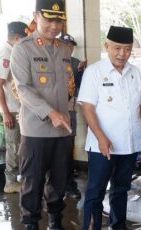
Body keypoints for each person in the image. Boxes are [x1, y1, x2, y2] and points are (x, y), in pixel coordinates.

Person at [11, 0, 78, 230]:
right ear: (36, 16)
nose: (53, 26)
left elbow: (67, 88)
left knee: (59, 181)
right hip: (37, 130)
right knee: (33, 184)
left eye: (58, 21)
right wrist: (51, 113)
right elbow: (23, 89)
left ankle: (55, 226)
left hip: (62, 130)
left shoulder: (64, 50)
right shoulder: (23, 49)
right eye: (48, 20)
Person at [78, 26, 141, 230]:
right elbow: (87, 108)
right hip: (103, 146)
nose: (122, 53)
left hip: (129, 144)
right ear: (106, 46)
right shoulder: (94, 72)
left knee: (122, 188)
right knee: (96, 190)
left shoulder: (134, 73)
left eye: (127, 49)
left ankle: (118, 226)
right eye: (117, 48)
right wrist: (100, 137)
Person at [0, 21, 29, 194]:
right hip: (12, 110)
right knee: (13, 146)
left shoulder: (15, 51)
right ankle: (10, 181)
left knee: (23, 145)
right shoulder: (5, 54)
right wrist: (6, 113)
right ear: (16, 38)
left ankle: (22, 177)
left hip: (20, 108)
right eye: (24, 38)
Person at [61, 33, 84, 199]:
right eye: (66, 45)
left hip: (70, 109)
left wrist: (82, 72)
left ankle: (69, 183)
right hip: (49, 113)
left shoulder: (76, 63)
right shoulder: (49, 60)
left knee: (68, 146)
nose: (69, 48)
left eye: (71, 46)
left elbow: (81, 87)